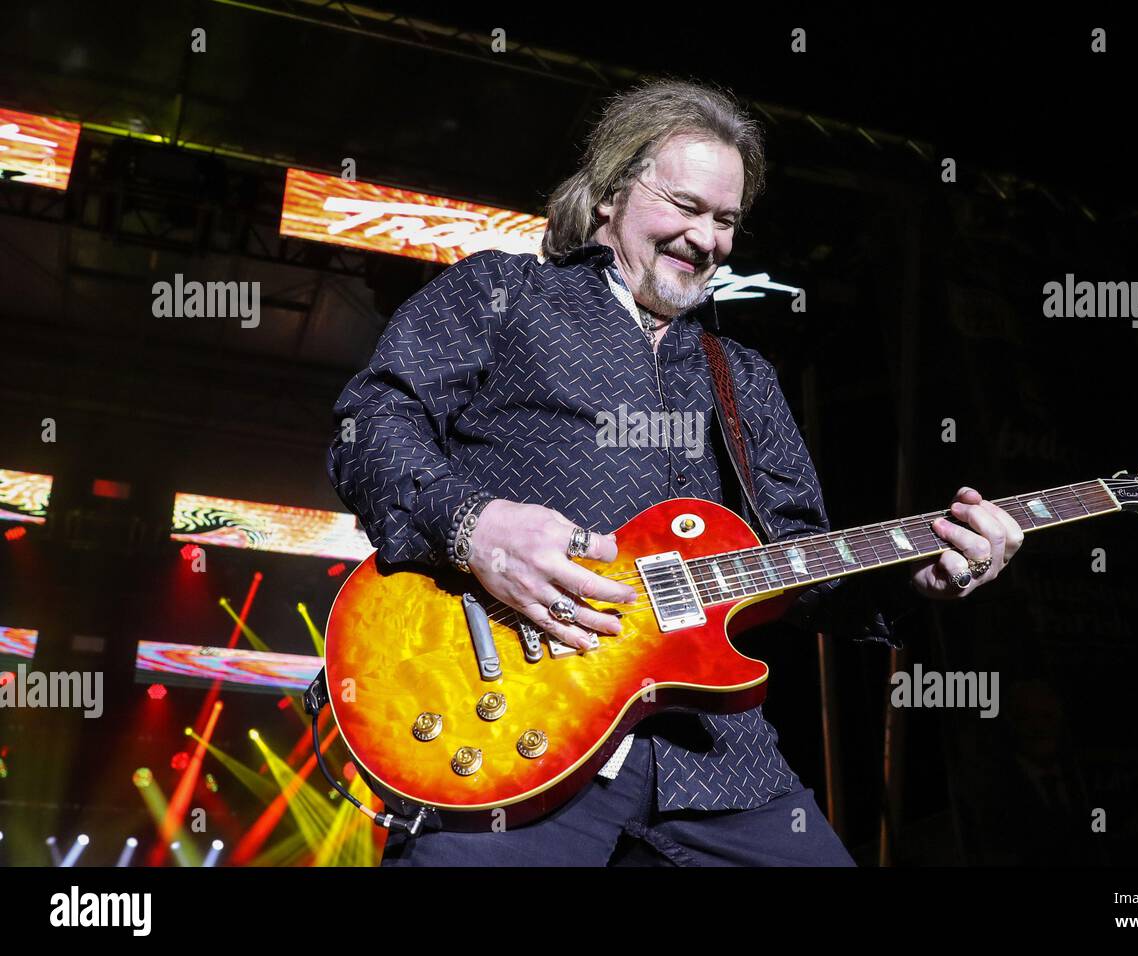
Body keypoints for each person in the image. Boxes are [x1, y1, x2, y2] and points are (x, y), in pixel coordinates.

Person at [327, 77, 1024, 866]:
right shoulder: (502, 292)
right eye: (686, 207)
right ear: (607, 199)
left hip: (716, 761)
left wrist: (921, 578)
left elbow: (805, 565)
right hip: (515, 732)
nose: (710, 238)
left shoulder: (742, 376)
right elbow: (371, 424)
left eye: (727, 220)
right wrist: (473, 526)